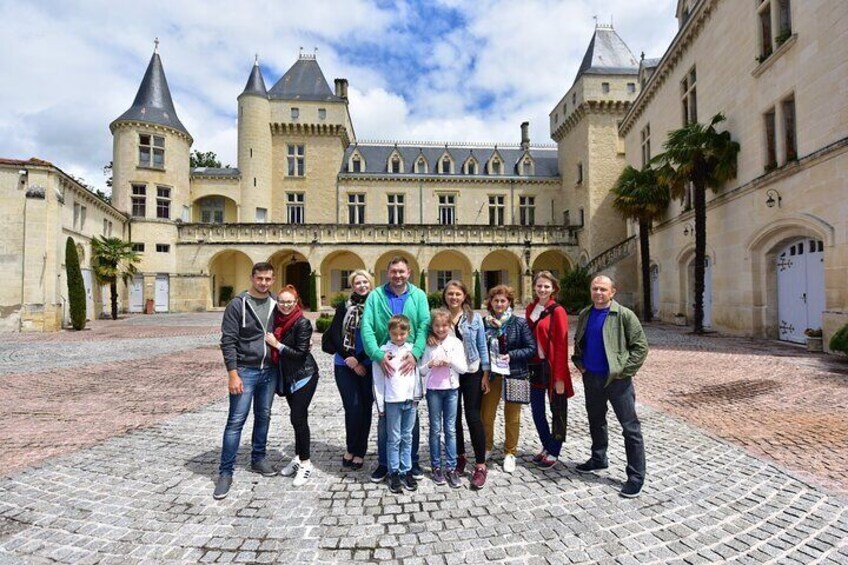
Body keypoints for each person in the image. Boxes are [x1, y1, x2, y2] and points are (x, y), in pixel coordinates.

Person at [571, 275, 649, 498]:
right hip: (592, 378)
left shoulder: (624, 315)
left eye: (603, 289)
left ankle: (636, 476)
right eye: (595, 289)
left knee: (630, 428)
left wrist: (623, 371)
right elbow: (579, 341)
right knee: (596, 420)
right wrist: (580, 363)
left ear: (613, 292)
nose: (598, 293)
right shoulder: (586, 313)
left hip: (617, 381)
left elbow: (640, 347)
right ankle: (598, 458)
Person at [361, 256, 430, 483]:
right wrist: (378, 355)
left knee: (411, 416)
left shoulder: (418, 295)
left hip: (409, 360)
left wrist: (416, 352)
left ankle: (411, 462)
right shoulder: (376, 296)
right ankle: (385, 464)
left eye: (401, 271)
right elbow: (367, 328)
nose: (398, 275)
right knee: (384, 417)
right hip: (385, 362)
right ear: (387, 273)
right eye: (393, 272)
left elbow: (424, 324)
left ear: (409, 272)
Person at [215, 262, 278, 499]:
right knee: (235, 421)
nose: (263, 283)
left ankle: (258, 459)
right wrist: (233, 373)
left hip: (269, 371)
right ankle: (225, 472)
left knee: (264, 416)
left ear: (273, 280)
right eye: (260, 278)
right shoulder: (237, 304)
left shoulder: (274, 304)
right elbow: (228, 340)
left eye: (268, 279)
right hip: (245, 370)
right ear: (252, 278)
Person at [264, 285, 319, 487]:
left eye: (289, 302)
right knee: (297, 420)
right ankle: (298, 457)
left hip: (305, 375)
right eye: (282, 301)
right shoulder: (276, 320)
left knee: (298, 417)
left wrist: (276, 345)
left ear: (296, 303)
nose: (285, 305)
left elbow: (301, 354)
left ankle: (305, 464)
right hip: (288, 376)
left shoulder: (302, 322)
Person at [440, 280, 491, 490]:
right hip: (450, 372)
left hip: (471, 371)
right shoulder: (440, 318)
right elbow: (432, 339)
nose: (454, 297)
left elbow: (482, 346)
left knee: (473, 416)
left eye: (457, 294)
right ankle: (459, 456)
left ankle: (480, 465)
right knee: (453, 418)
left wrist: (486, 374)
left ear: (464, 296)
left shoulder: (474, 317)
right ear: (445, 296)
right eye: (450, 294)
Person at [480, 285, 536, 474]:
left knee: (512, 417)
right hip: (492, 376)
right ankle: (487, 447)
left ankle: (510, 452)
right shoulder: (483, 323)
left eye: (503, 300)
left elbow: (530, 348)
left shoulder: (519, 323)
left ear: (509, 302)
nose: (499, 304)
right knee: (487, 415)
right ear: (490, 303)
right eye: (496, 300)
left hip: (515, 373)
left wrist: (511, 355)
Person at [325, 270, 374, 470]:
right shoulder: (344, 307)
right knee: (353, 408)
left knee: (366, 408)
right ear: (352, 286)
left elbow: (380, 337)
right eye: (357, 283)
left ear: (370, 284)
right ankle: (351, 447)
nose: (361, 286)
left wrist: (361, 360)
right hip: (344, 365)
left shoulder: (376, 307)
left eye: (365, 282)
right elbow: (335, 334)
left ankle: (360, 452)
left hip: (369, 364)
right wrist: (349, 359)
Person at [526, 271, 574, 469]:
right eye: (539, 286)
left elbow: (562, 344)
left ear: (554, 288)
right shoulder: (530, 308)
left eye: (546, 286)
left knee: (558, 411)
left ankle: (555, 450)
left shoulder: (558, 311)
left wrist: (561, 376)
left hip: (553, 368)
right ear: (534, 287)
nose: (542, 289)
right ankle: (547, 444)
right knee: (537, 410)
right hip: (535, 366)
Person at [419, 308, 468, 489]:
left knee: (450, 430)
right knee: (435, 429)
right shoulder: (428, 344)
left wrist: (450, 362)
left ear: (450, 325)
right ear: (432, 326)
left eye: (444, 325)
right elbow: (421, 370)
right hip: (433, 391)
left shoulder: (455, 343)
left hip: (452, 391)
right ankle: (436, 466)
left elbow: (463, 369)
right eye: (437, 326)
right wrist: (430, 364)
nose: (441, 329)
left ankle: (451, 467)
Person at [373, 315, 421, 493]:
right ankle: (393, 471)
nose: (399, 337)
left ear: (408, 332)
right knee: (393, 439)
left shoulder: (412, 351)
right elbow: (377, 380)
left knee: (407, 437)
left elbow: (418, 376)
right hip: (392, 401)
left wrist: (417, 397)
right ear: (389, 333)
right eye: (395, 334)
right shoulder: (383, 351)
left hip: (410, 401)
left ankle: (405, 470)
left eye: (402, 333)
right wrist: (380, 405)